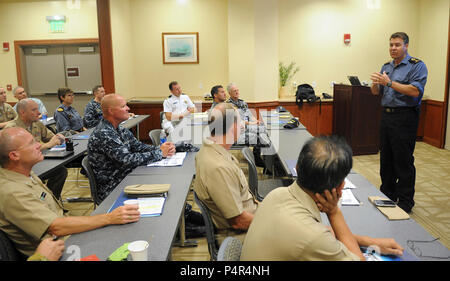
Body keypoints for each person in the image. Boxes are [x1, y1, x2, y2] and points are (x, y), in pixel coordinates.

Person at [241, 136, 404, 261]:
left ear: (297, 168)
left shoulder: (277, 194)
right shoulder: (313, 237)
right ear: (340, 187)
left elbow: (325, 234)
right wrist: (334, 212)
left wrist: (369, 242)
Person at [0, 127, 141, 258]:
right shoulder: (11, 191)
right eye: (31, 143)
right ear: (14, 155)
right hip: (59, 250)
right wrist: (109, 218)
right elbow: (56, 227)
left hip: (66, 238)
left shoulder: (25, 173)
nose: (39, 145)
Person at [370, 32, 428, 213]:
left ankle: (405, 201)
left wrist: (389, 83)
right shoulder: (386, 66)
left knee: (402, 161)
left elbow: (414, 91)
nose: (393, 48)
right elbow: (376, 92)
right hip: (387, 116)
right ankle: (387, 194)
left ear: (406, 46)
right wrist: (374, 84)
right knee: (386, 159)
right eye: (391, 45)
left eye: (397, 45)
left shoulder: (416, 66)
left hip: (405, 117)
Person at [88, 94, 176, 202]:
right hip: (114, 187)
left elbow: (139, 147)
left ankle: (189, 215)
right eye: (123, 106)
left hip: (129, 176)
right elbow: (127, 160)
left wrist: (160, 148)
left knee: (168, 183)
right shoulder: (104, 133)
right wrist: (159, 153)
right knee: (166, 192)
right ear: (111, 111)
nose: (128, 108)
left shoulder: (119, 129)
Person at [194, 103, 259, 244]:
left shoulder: (212, 150)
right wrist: (270, 225)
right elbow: (238, 221)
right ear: (233, 127)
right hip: (241, 235)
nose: (242, 125)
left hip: (252, 219)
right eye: (240, 120)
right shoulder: (218, 167)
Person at [4, 99, 68, 199]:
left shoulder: (36, 123)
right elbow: (18, 152)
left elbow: (50, 136)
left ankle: (52, 201)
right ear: (22, 112)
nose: (38, 113)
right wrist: (47, 145)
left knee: (60, 171)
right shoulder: (12, 129)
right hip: (20, 168)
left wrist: (58, 137)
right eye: (34, 110)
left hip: (37, 162)